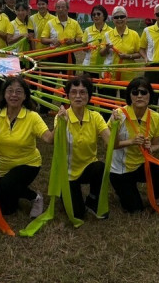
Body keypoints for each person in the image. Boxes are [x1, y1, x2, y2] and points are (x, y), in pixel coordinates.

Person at [0, 76, 55, 217]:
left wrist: (59, 122)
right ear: (4, 94)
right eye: (10, 91)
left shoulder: (32, 117)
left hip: (28, 164)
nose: (13, 95)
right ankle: (13, 188)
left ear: (25, 96)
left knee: (5, 187)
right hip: (3, 168)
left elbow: (49, 139)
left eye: (18, 92)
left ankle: (35, 197)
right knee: (7, 210)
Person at [108, 77, 159, 212]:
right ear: (129, 96)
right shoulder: (119, 115)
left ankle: (157, 196)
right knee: (135, 210)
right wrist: (131, 141)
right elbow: (110, 145)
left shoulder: (155, 117)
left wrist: (150, 147)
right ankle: (123, 188)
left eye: (143, 92)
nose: (139, 96)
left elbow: (157, 144)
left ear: (150, 95)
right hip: (120, 168)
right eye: (135, 92)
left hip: (142, 164)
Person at [56, 76, 110, 218]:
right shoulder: (62, 116)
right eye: (74, 92)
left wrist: (115, 123)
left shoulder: (96, 116)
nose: (78, 96)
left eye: (83, 92)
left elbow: (110, 142)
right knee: (78, 214)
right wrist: (62, 123)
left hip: (88, 168)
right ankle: (67, 191)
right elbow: (54, 141)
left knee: (100, 167)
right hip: (67, 173)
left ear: (89, 96)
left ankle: (92, 199)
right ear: (67, 96)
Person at [38, 0, 83, 70]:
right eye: (58, 7)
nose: (60, 9)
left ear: (67, 9)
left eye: (63, 7)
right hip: (54, 54)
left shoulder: (74, 23)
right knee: (52, 78)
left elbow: (81, 38)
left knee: (69, 79)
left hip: (68, 55)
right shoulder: (50, 23)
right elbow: (43, 39)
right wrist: (52, 41)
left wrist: (73, 40)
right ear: (55, 9)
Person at [108, 6, 142, 83]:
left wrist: (128, 56)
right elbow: (101, 53)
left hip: (128, 74)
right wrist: (106, 48)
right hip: (111, 74)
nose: (119, 19)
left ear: (126, 18)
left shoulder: (134, 34)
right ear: (113, 19)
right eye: (116, 17)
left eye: (122, 17)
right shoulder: (107, 35)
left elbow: (139, 53)